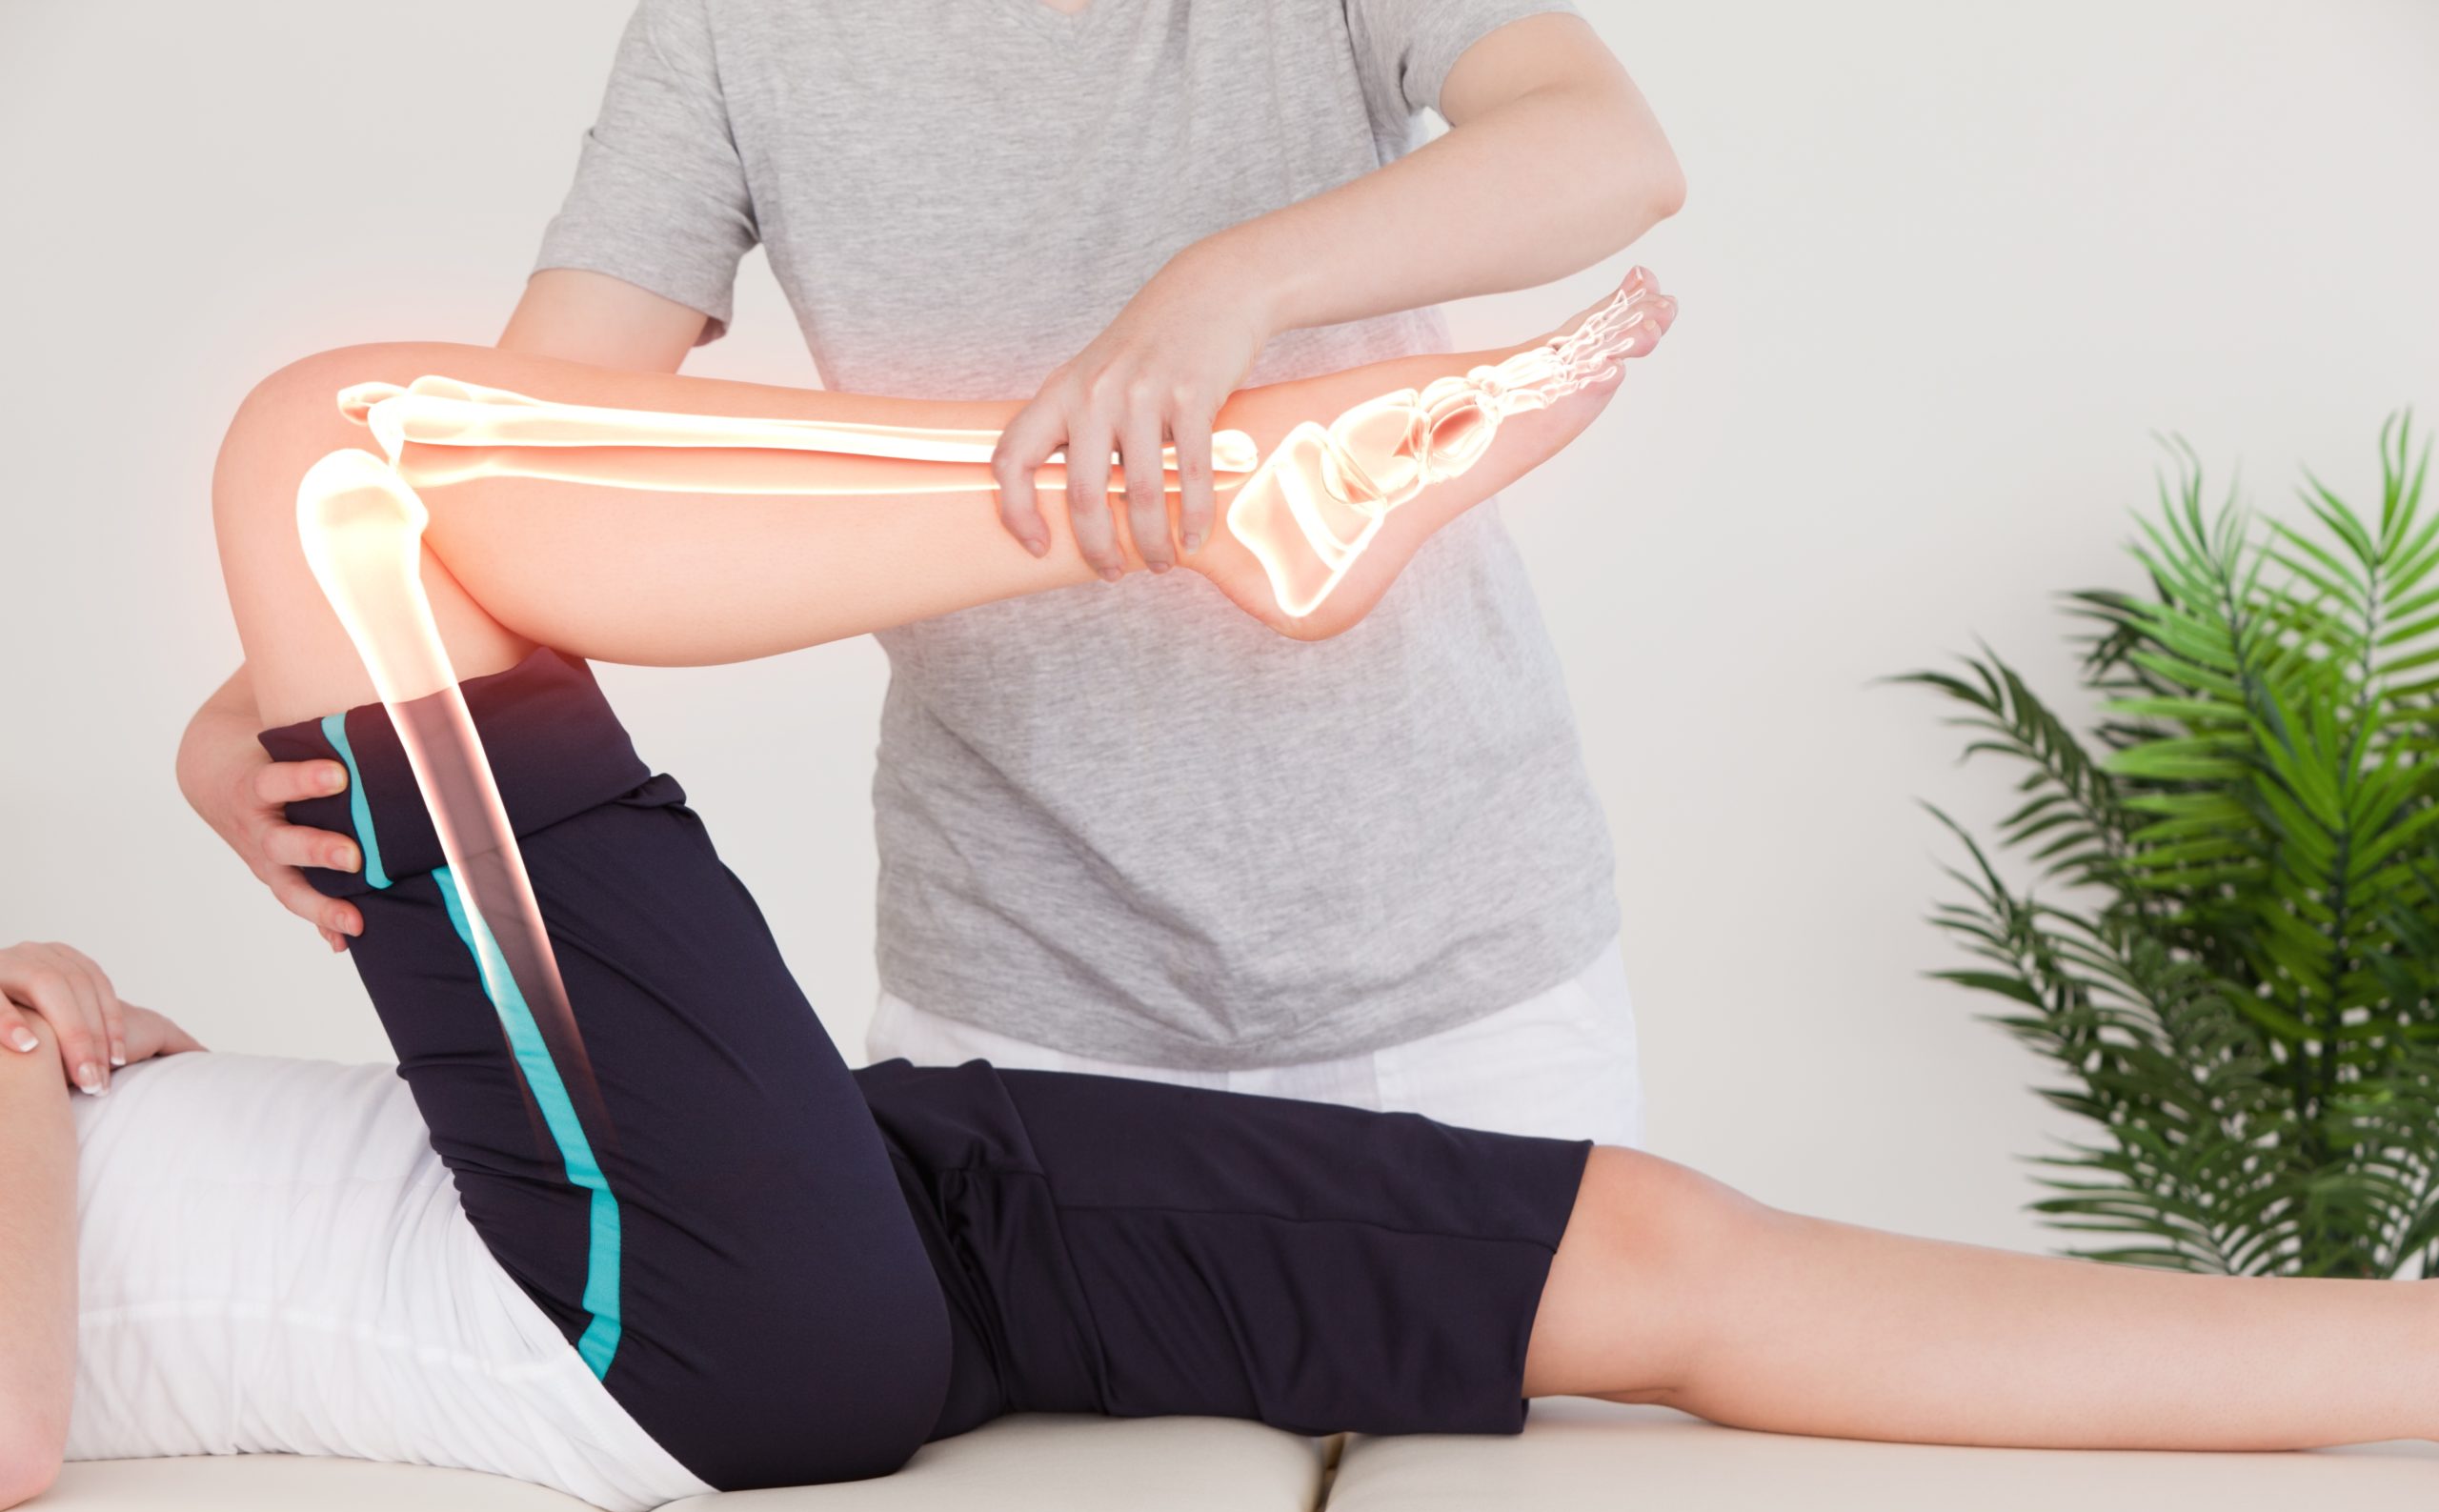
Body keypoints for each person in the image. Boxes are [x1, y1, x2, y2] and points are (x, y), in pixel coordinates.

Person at [9, 309, 2433, 1512]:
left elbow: (169, 1253)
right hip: (640, 1309)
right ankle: (1207, 494)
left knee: (1654, 1256)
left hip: (768, 1223)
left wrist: (98, 1017)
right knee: (340, 463)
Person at [175, 0, 1688, 1147]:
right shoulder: (735, 30)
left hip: (1471, 974)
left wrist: (1225, 284)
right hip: (1021, 1005)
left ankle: (1260, 481)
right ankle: (1250, 486)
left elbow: (1603, 147)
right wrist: (270, 694)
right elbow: (520, 453)